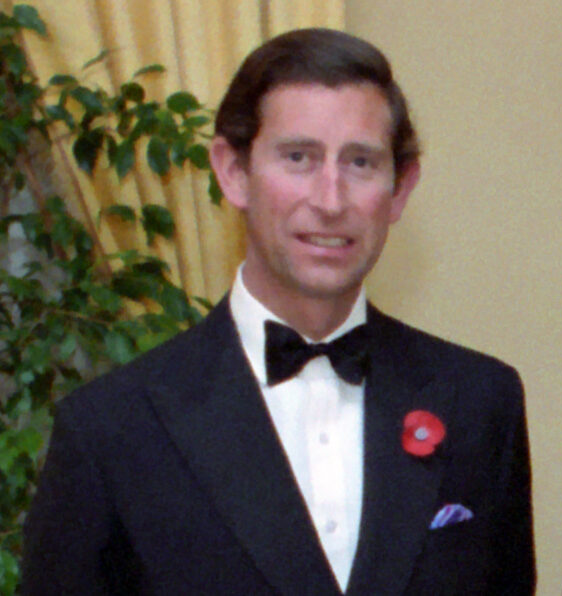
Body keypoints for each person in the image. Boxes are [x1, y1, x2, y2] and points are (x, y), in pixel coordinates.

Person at [22, 28, 535, 595]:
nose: (330, 199)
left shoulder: (481, 402)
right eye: (298, 158)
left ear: (400, 188)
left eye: (361, 163)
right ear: (233, 172)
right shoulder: (110, 429)